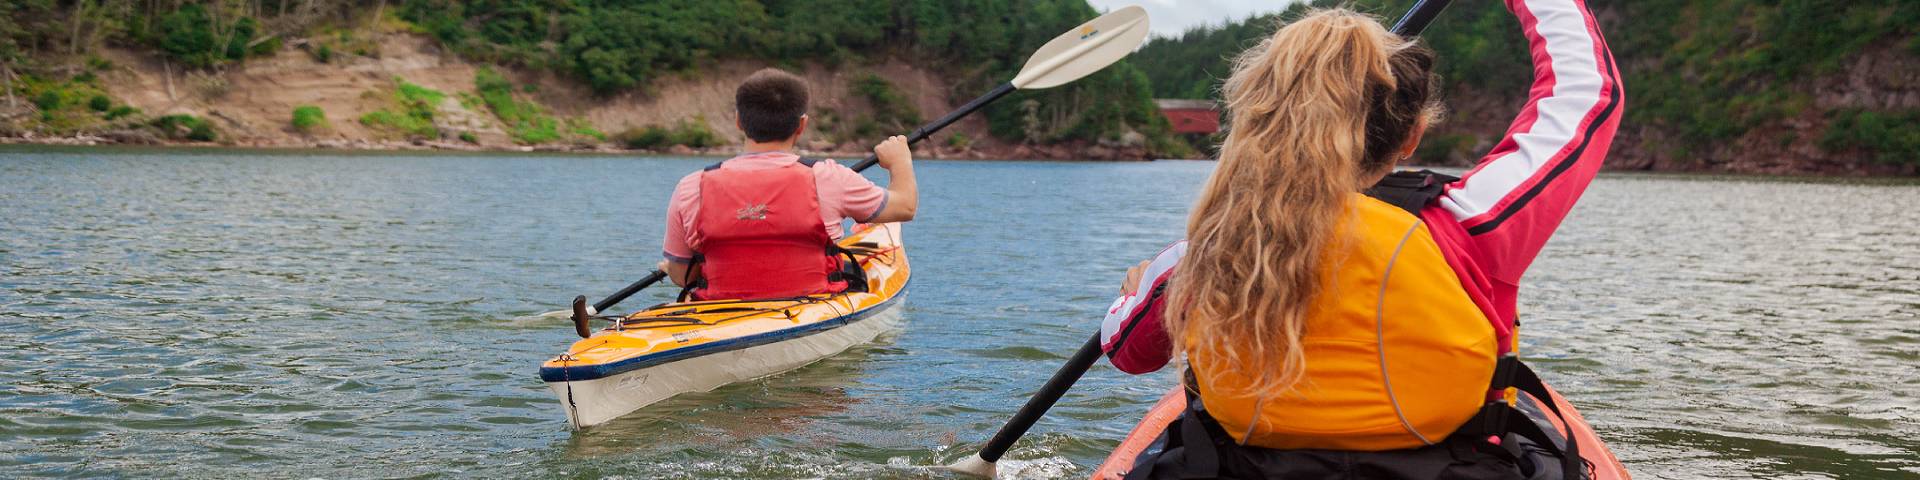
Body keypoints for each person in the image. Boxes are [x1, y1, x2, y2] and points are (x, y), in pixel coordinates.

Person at [1098, 0, 1621, 478]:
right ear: (1411, 136)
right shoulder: (1471, 224)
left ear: (1261, 121)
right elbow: (1586, 94)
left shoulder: (1212, 247)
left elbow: (1126, 350)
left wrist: (1132, 293)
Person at [657, 68, 918, 301]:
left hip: (719, 310)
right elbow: (904, 207)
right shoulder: (829, 176)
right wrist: (900, 162)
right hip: (813, 303)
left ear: (738, 121)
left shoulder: (692, 186)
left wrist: (674, 270)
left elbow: (683, 276)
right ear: (801, 125)